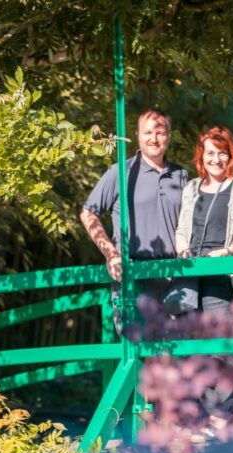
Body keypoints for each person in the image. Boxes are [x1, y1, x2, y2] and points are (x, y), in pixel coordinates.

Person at [80, 109, 189, 329]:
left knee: (177, 355)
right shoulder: (122, 172)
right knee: (138, 350)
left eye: (160, 132)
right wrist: (111, 254)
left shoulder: (181, 175)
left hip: (174, 276)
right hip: (133, 273)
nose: (154, 138)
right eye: (148, 132)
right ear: (138, 135)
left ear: (169, 135)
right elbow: (88, 212)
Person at [175, 126, 233, 314]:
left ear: (231, 156)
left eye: (222, 153)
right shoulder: (191, 188)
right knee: (189, 338)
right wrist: (183, 251)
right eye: (210, 153)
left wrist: (226, 252)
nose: (215, 159)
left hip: (223, 276)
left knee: (219, 339)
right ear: (202, 155)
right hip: (191, 276)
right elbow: (181, 231)